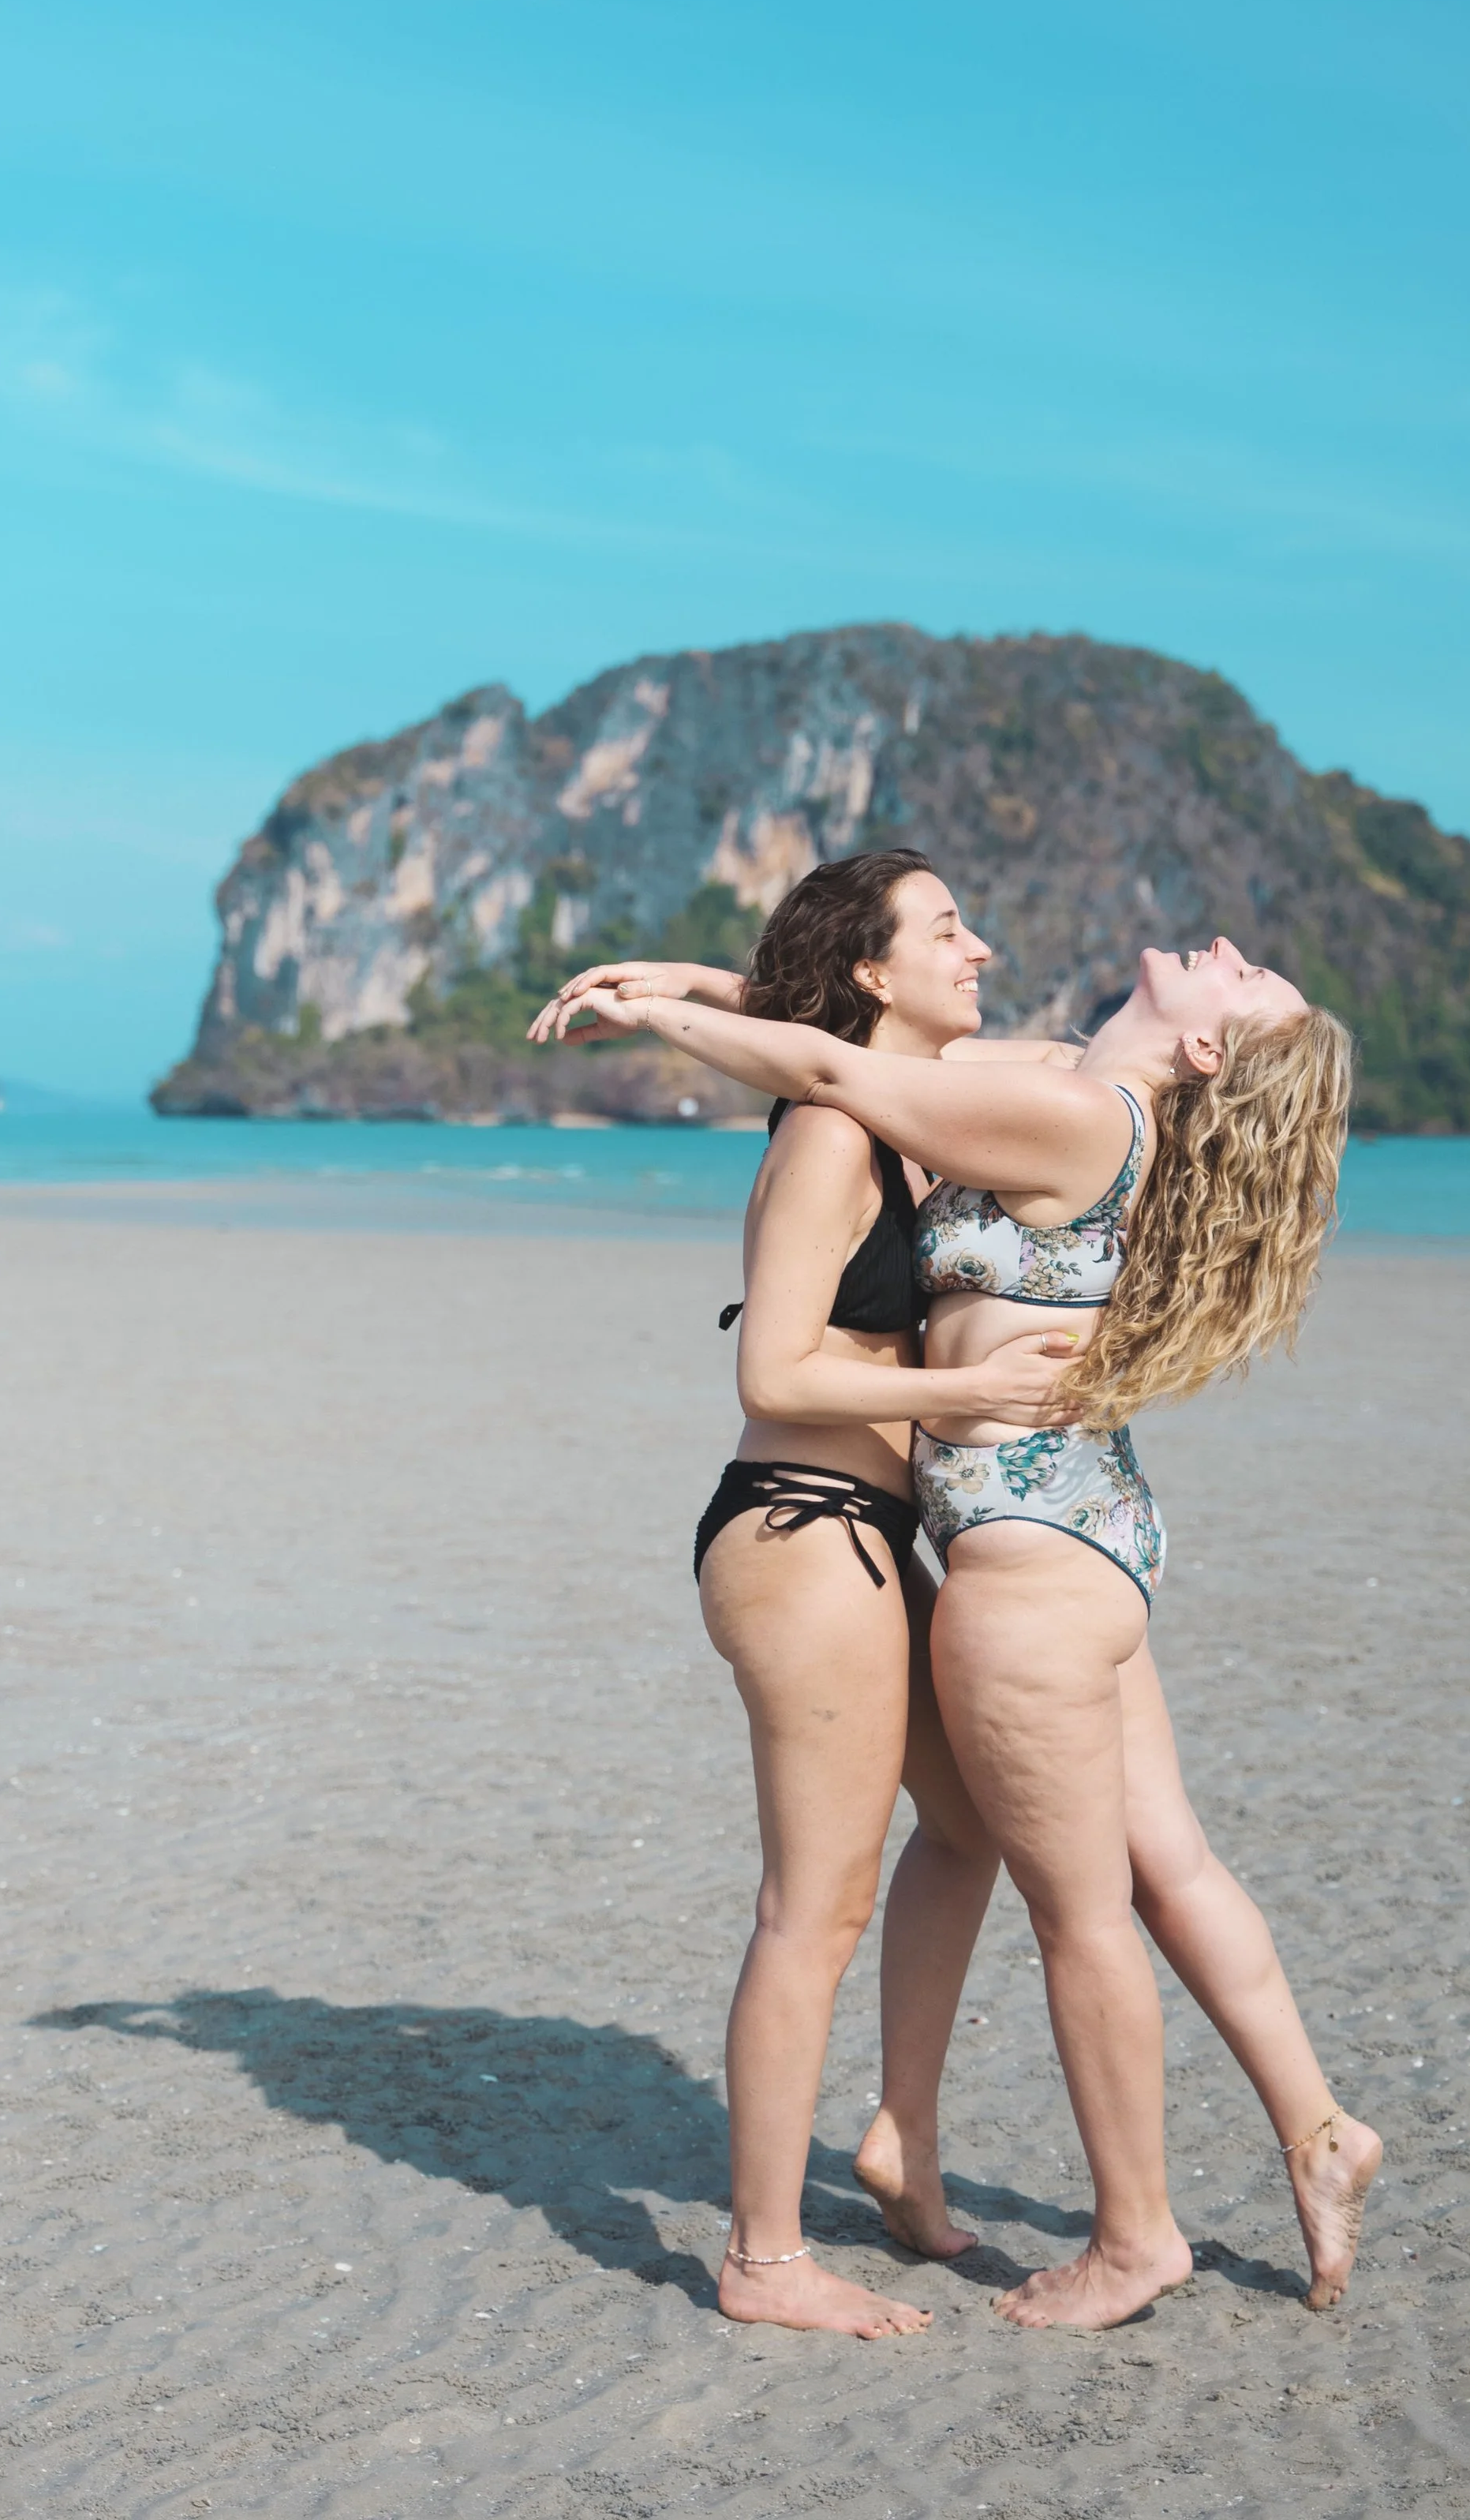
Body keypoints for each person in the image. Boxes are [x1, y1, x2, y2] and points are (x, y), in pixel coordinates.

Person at [535, 923, 1382, 2332]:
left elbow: (831, 1065)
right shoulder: (1067, 1083)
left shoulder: (1070, 1111)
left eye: (1244, 979)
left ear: (1208, 1048)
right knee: (1160, 1860)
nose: (1226, 945)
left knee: (1082, 1913)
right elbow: (883, 1042)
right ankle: (1314, 2127)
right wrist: (694, 982)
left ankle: (1137, 2238)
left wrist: (662, 1023)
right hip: (1097, 1525)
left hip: (1024, 1563)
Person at [550, 852, 1081, 2337]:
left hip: (862, 1532)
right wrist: (974, 1388)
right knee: (814, 1907)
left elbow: (1049, 1060)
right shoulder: (831, 1147)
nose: (982, 946)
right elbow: (772, 1369)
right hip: (802, 1530)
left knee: (969, 1823)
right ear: (871, 969)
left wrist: (687, 985)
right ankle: (765, 2260)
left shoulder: (899, 1117)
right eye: (948, 929)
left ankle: (900, 2139)